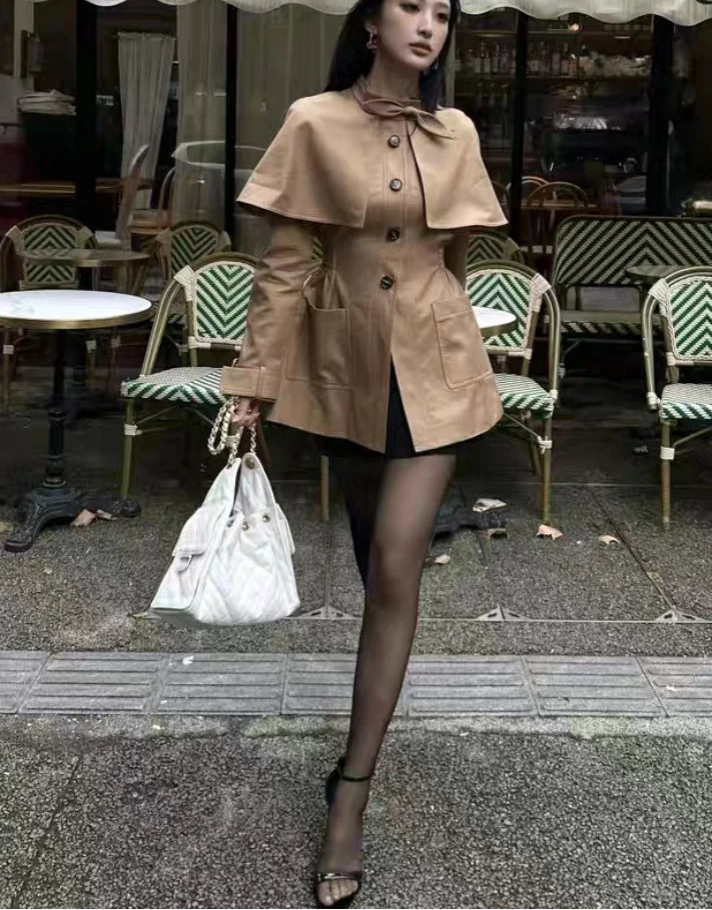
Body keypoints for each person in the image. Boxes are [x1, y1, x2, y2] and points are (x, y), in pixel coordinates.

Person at [221, 0, 506, 904]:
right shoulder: (314, 121)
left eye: (442, 13)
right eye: (410, 7)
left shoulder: (456, 131)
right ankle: (358, 757)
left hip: (435, 371)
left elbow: (455, 261)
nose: (429, 25)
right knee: (371, 560)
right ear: (372, 24)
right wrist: (254, 381)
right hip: (346, 371)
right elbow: (287, 265)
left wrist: (462, 345)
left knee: (393, 565)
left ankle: (350, 793)